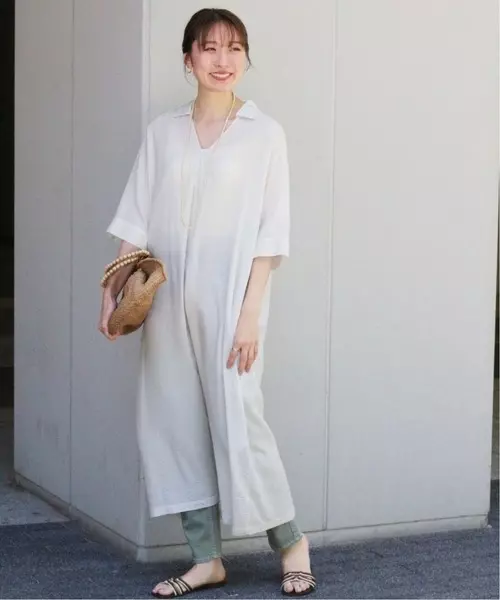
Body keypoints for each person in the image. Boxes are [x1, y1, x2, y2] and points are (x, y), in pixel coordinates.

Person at [99, 8, 316, 599]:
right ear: (188, 58)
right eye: (210, 47)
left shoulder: (265, 134)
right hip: (166, 299)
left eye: (235, 48)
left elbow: (271, 235)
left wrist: (249, 315)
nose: (223, 60)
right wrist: (112, 287)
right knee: (173, 422)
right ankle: (205, 559)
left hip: (231, 300)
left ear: (246, 58)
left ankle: (292, 544)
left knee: (240, 419)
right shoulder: (162, 132)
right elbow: (135, 217)